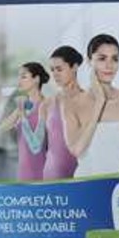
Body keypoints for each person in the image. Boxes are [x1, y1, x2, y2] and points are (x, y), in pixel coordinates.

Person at [62, 33, 119, 177]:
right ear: (90, 61)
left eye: (115, 59)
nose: (109, 65)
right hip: (89, 188)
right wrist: (99, 102)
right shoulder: (73, 105)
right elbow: (77, 150)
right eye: (102, 58)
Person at [0, 61, 50, 181]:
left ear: (36, 79)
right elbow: (2, 128)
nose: (19, 81)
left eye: (24, 77)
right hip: (23, 170)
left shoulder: (45, 105)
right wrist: (17, 110)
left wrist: (22, 116)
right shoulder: (24, 106)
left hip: (40, 169)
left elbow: (36, 146)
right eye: (19, 77)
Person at [42, 45, 84, 180]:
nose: (54, 74)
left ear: (75, 67)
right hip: (52, 174)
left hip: (82, 173)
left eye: (59, 69)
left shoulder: (90, 102)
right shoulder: (47, 104)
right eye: (52, 70)